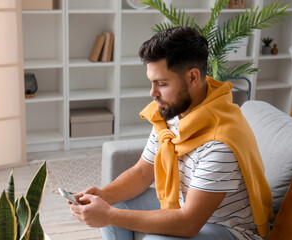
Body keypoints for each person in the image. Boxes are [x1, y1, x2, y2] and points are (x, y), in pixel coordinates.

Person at [69, 26, 273, 240]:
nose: (153, 93)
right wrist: (103, 196)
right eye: (152, 82)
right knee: (114, 202)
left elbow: (188, 223)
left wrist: (109, 216)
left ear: (193, 77)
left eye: (162, 83)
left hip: (228, 229)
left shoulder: (220, 140)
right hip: (182, 205)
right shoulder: (172, 113)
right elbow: (141, 173)